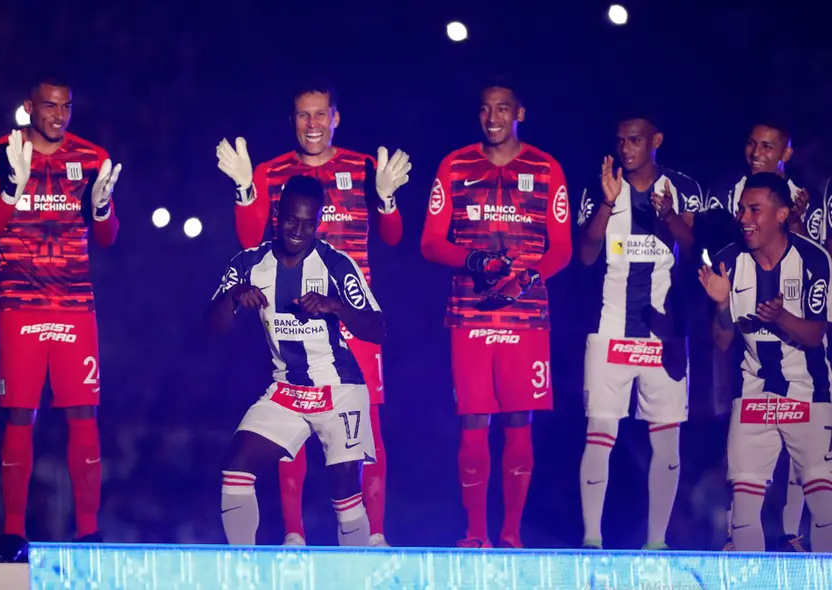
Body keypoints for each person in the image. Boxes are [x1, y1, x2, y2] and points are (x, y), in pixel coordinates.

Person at [215, 79, 409, 547]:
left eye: (321, 114)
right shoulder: (272, 171)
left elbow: (394, 236)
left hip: (352, 314)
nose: (313, 124)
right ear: (292, 121)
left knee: (366, 429)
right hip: (291, 313)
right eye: (304, 115)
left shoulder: (364, 167)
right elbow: (247, 239)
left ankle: (374, 535)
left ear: (336, 117)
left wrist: (386, 199)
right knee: (291, 412)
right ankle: (294, 534)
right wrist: (245, 189)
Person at [420, 76, 572, 548]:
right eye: (486, 109)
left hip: (526, 319)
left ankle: (511, 536)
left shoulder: (547, 169)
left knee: (519, 421)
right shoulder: (454, 165)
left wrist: (527, 278)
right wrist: (473, 260)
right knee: (473, 421)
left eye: (503, 109)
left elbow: (561, 249)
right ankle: (475, 535)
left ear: (519, 112)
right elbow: (429, 242)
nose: (493, 118)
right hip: (469, 316)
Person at [0, 73, 122, 562]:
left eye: (66, 107)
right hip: (19, 305)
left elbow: (107, 238)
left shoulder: (92, 157)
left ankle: (89, 531)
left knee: (84, 414)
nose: (58, 115)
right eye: (49, 106)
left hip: (75, 306)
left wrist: (101, 210)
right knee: (21, 415)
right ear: (29, 106)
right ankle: (13, 532)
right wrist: (11, 190)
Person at [207, 174, 384, 547]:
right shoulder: (248, 264)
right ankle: (245, 571)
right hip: (287, 389)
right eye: (291, 220)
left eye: (308, 223)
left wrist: (335, 306)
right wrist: (234, 297)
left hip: (339, 390)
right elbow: (212, 325)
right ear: (277, 214)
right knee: (236, 465)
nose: (298, 231)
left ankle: (356, 577)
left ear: (318, 222)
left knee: (343, 492)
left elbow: (378, 327)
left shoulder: (336, 265)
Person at [576, 114, 703, 550]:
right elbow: (587, 256)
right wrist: (608, 203)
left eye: (635, 141)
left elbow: (693, 251)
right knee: (600, 431)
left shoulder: (683, 188)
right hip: (610, 327)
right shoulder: (601, 185)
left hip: (665, 334)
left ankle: (657, 543)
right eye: (620, 141)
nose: (626, 149)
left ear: (656, 142)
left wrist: (668, 216)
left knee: (666, 438)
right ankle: (592, 539)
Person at [700, 171, 832, 553]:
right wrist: (722, 305)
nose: (744, 218)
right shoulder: (729, 261)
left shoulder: (813, 260)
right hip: (753, 395)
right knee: (742, 513)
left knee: (824, 507)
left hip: (808, 394)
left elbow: (815, 335)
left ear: (780, 214)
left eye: (754, 210)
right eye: (742, 209)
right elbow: (723, 341)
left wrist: (782, 318)